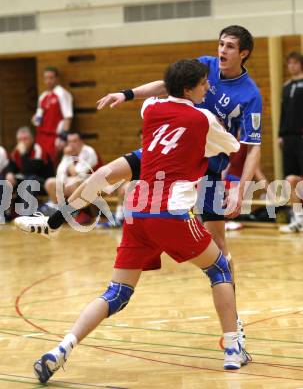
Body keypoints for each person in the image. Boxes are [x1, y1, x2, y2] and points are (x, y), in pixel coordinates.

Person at [16, 60, 250, 383]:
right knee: (220, 267)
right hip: (170, 213)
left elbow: (158, 92)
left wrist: (127, 94)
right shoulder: (204, 118)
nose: (207, 88)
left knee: (116, 293)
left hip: (137, 212)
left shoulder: (152, 110)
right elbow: (232, 148)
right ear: (189, 88)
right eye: (203, 84)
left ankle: (61, 348)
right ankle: (234, 349)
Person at [97, 25, 262, 348]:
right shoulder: (206, 66)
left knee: (221, 250)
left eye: (230, 46)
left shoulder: (250, 93)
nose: (222, 51)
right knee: (108, 174)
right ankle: (56, 219)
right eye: (220, 44)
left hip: (211, 171)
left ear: (243, 53)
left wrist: (242, 188)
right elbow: (166, 85)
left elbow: (252, 145)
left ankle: (232, 323)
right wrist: (127, 94)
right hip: (175, 160)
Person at [278, 51, 303, 233]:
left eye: (295, 63)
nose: (292, 67)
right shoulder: (286, 86)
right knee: (290, 178)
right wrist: (281, 134)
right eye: (290, 64)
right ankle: (298, 219)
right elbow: (283, 112)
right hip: (289, 137)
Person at [5, 126, 53, 217]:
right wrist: (9, 173)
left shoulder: (39, 150)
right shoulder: (16, 152)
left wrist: (23, 154)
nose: (22, 142)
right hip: (26, 182)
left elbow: (30, 170)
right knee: (5, 180)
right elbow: (11, 165)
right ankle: (4, 214)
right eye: (20, 139)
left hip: (43, 184)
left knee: (30, 180)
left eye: (25, 139)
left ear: (32, 139)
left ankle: (26, 215)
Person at [32, 66, 73, 162]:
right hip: (41, 136)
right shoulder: (42, 96)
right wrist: (35, 119)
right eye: (46, 78)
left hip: (55, 136)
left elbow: (68, 116)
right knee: (38, 162)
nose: (48, 81)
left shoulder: (62, 94)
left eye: (51, 78)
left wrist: (63, 137)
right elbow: (38, 118)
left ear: (57, 79)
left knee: (53, 163)